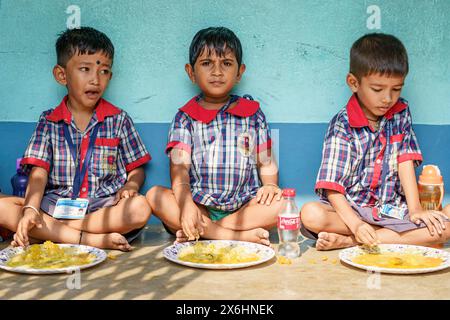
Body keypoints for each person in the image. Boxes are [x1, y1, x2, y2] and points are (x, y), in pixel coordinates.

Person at [0, 27, 152, 251]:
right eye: (85, 69)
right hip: (55, 205)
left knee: (140, 207)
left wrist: (131, 183)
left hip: (103, 208)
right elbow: (39, 173)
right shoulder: (49, 121)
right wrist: (32, 209)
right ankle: (90, 239)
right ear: (62, 75)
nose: (95, 79)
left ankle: (55, 232)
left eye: (104, 71)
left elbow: (137, 168)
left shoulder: (119, 120)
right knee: (4, 208)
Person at [300, 33, 450, 251]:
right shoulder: (342, 125)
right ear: (354, 83)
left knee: (444, 228)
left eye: (396, 89)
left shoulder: (400, 112)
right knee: (311, 214)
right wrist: (357, 224)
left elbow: (405, 159)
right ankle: (374, 235)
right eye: (378, 89)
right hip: (352, 212)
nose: (388, 99)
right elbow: (332, 187)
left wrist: (415, 209)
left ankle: (351, 241)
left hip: (392, 211)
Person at [146, 27, 282, 246]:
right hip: (200, 206)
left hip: (244, 208)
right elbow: (179, 169)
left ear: (239, 73)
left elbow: (265, 160)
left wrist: (271, 185)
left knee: (282, 205)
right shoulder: (185, 118)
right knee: (154, 196)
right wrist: (187, 204)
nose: (217, 71)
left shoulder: (252, 113)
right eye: (207, 63)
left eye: (226, 63)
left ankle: (207, 231)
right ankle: (231, 235)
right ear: (191, 72)